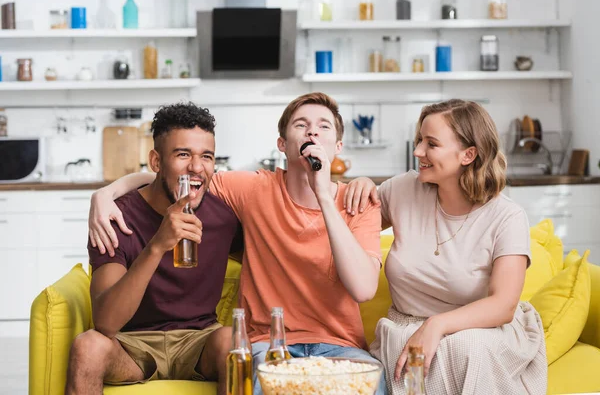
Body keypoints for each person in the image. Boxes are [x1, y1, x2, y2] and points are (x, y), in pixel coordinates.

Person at [88, 92, 388, 395]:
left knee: (375, 383)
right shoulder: (252, 189)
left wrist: (325, 193)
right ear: (282, 144)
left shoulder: (359, 202)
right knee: (252, 371)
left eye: (323, 126)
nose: (312, 131)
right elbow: (182, 176)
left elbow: (363, 289)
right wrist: (107, 192)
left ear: (337, 147)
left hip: (341, 347)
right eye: (301, 124)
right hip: (268, 345)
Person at [343, 99, 547, 394]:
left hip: (480, 334)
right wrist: (359, 184)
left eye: (431, 144)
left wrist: (437, 325)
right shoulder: (402, 190)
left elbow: (503, 305)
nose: (417, 152)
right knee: (417, 345)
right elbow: (348, 229)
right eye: (419, 141)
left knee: (467, 346)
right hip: (405, 329)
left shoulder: (507, 216)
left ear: (468, 154)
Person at [65, 103, 242, 395]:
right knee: (89, 346)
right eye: (183, 154)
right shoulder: (116, 218)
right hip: (132, 345)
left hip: (199, 342)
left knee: (233, 342)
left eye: (206, 157)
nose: (196, 168)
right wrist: (158, 245)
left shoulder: (223, 216)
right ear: (156, 161)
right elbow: (107, 323)